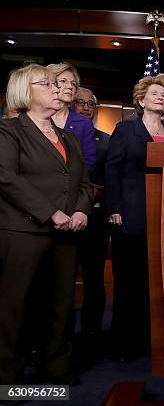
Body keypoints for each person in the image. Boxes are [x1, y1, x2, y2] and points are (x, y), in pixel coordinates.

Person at [0, 63, 92, 385]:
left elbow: (83, 182)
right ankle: (7, 379)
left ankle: (56, 371)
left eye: (58, 85)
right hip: (23, 233)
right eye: (48, 85)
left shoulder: (70, 138)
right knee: (15, 307)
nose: (58, 90)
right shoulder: (9, 130)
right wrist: (51, 212)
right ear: (26, 92)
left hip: (67, 234)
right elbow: (6, 178)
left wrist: (82, 211)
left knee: (61, 305)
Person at [105, 74, 164, 361]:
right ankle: (125, 345)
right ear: (140, 100)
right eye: (154, 94)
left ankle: (154, 343)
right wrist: (114, 208)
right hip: (130, 216)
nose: (160, 97)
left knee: (158, 285)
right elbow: (112, 170)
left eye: (163, 94)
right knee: (129, 284)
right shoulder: (125, 130)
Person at [72, 87, 111, 351]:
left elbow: (111, 175)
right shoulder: (56, 135)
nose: (86, 107)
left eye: (90, 103)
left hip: (95, 219)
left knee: (94, 280)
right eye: (80, 103)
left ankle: (91, 335)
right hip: (60, 220)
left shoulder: (106, 141)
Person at [46, 63, 96, 174]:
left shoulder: (84, 124)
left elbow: (88, 163)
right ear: (49, 84)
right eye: (63, 81)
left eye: (73, 84)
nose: (70, 86)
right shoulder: (38, 118)